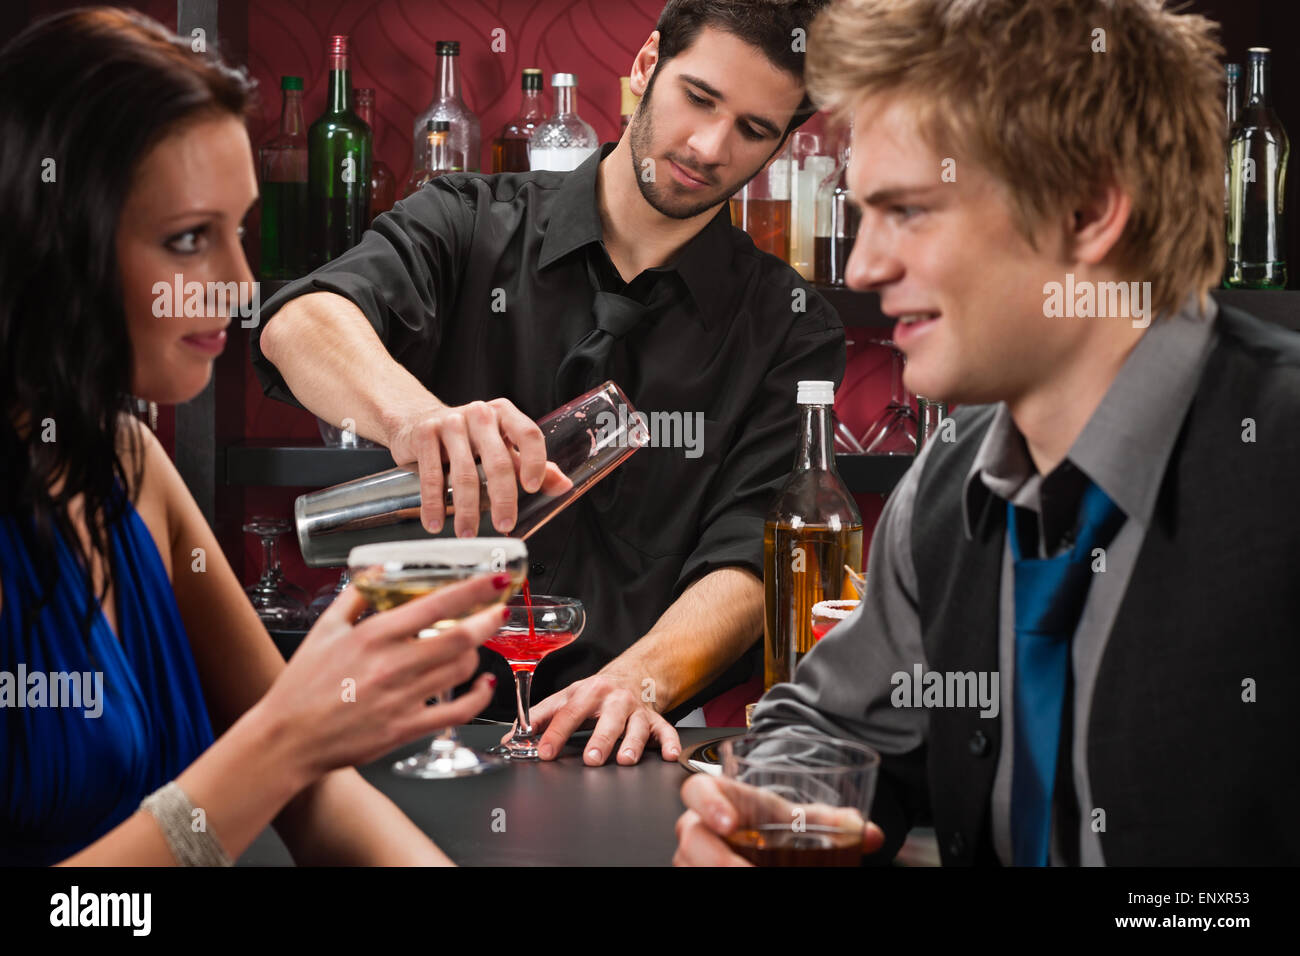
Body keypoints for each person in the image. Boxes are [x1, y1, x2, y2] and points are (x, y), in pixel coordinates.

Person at [676, 0, 1300, 866]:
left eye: (911, 211)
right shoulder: (947, 478)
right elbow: (829, 720)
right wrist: (770, 816)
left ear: (1088, 212)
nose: (862, 267)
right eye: (865, 213)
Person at [252, 0, 843, 765]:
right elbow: (299, 322)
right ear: (645, 66)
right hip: (415, 733)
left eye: (754, 130)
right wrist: (415, 419)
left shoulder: (790, 328)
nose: (708, 145)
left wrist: (640, 679)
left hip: (615, 748)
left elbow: (748, 559)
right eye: (698, 98)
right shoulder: (467, 221)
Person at [0, 8, 506, 867]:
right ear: (51, 240)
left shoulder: (128, 465)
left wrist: (296, 748)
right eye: (189, 239)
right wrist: (283, 740)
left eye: (240, 231)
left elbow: (318, 795)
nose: (239, 286)